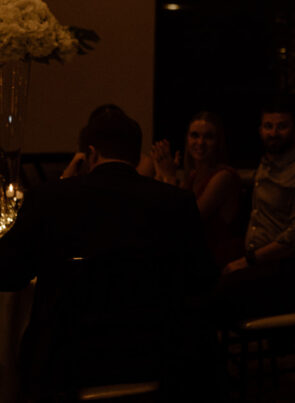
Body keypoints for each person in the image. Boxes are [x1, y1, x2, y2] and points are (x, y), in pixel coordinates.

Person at [0, 105, 218, 400]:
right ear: (135, 155)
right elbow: (201, 279)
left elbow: (9, 274)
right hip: (155, 354)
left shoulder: (49, 199)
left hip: (66, 362)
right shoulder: (176, 203)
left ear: (90, 153)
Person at [216, 100, 295, 321]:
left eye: (281, 126)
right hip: (263, 267)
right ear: (260, 130)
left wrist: (248, 261)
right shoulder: (267, 166)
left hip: (289, 275)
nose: (273, 133)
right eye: (268, 126)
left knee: (208, 299)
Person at [139, 111, 245, 268]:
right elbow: (165, 213)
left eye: (208, 137)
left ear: (218, 142)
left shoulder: (224, 176)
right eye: (195, 136)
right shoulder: (193, 177)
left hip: (216, 263)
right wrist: (161, 173)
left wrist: (169, 177)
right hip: (193, 259)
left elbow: (188, 219)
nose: (200, 142)